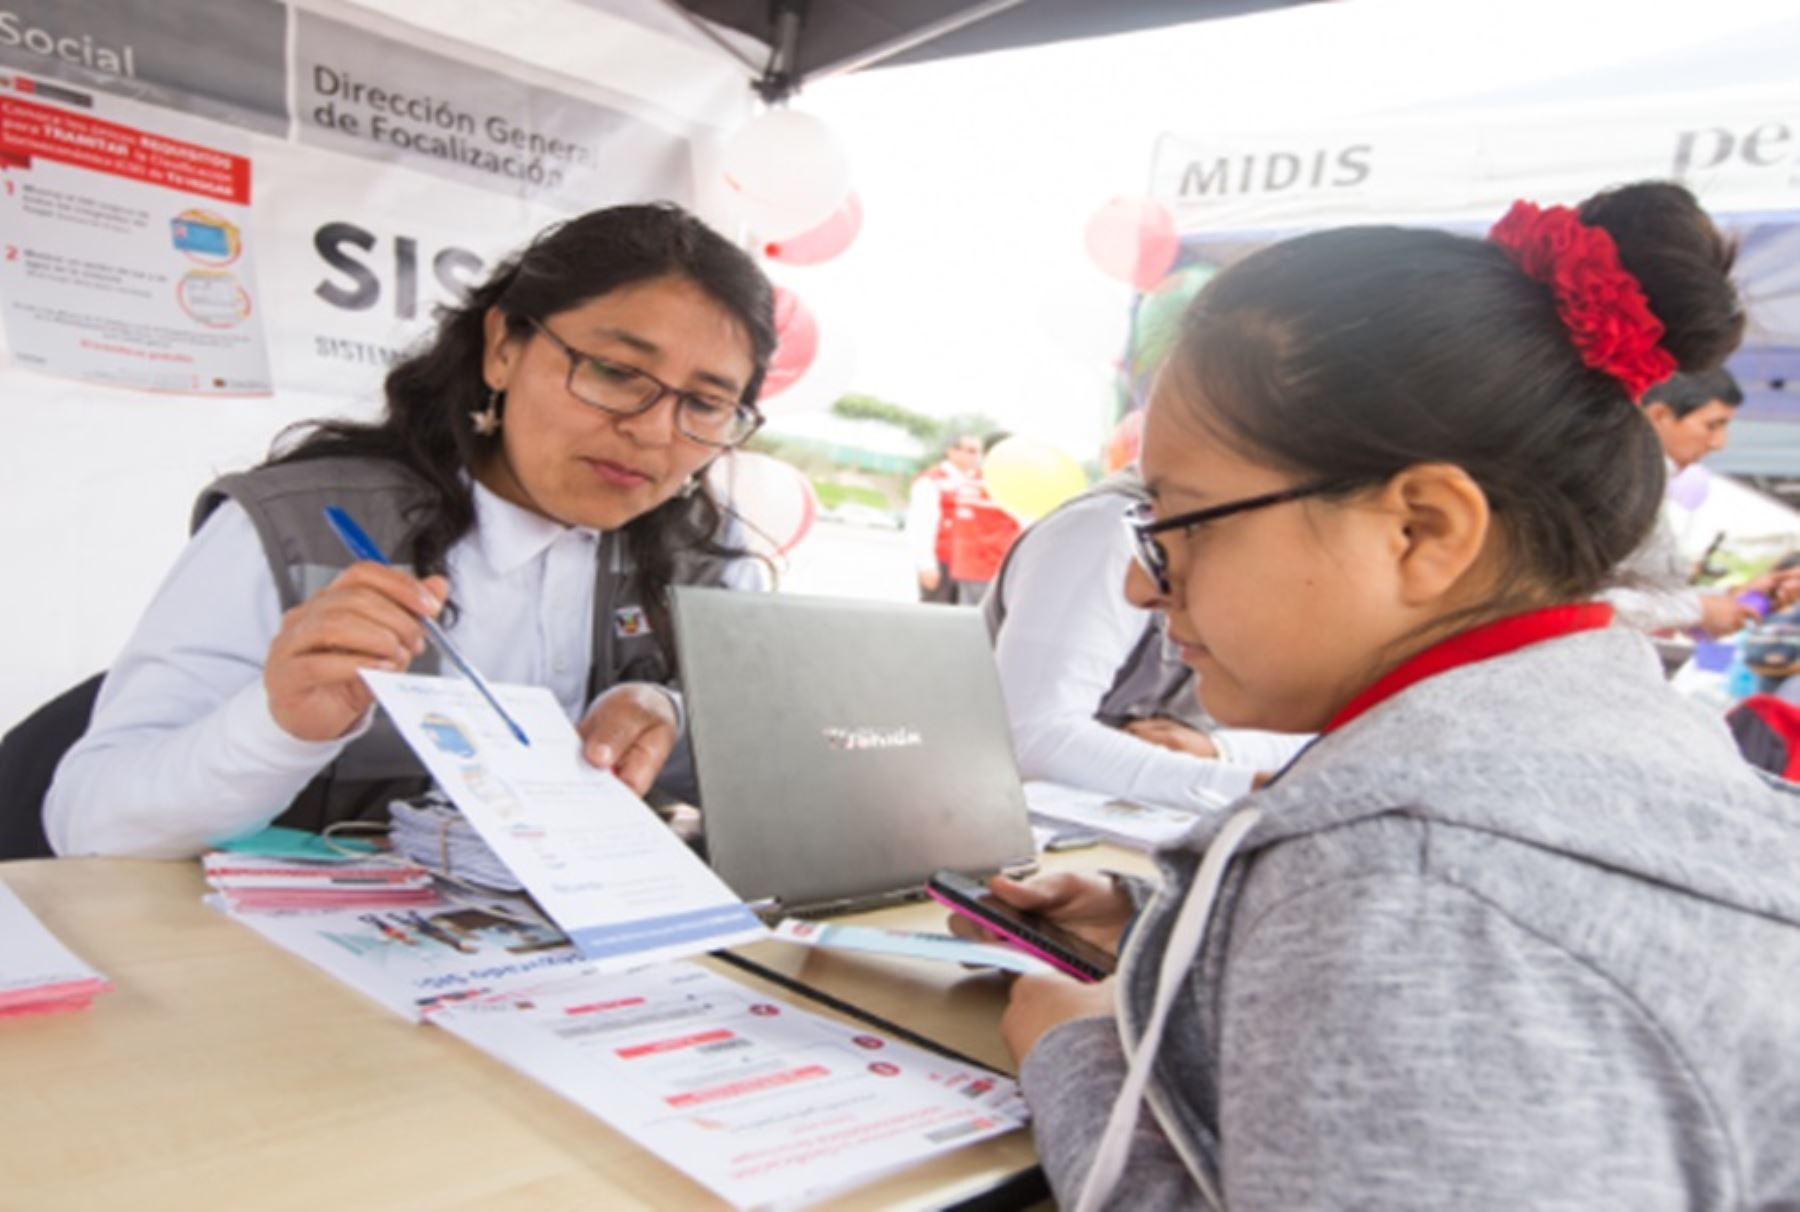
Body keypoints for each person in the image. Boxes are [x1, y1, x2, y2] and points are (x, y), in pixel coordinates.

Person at [957, 182, 1800, 1208]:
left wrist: (1080, 1054)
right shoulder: (1627, 761)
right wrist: (1177, 933)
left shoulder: (1405, 891)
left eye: (1179, 518)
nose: (1144, 581)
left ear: (1423, 530)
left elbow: (1432, 972)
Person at [46, 203, 777, 859]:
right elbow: (90, 823)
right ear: (503, 347)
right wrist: (278, 726)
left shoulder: (706, 558)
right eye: (615, 371)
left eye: (706, 404)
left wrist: (672, 714)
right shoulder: (301, 528)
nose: (652, 432)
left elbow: (792, 778)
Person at [982, 469, 1308, 810]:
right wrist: (1250, 789)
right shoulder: (1106, 531)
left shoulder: (1279, 544)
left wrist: (1222, 751)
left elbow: (1330, 734)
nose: (1139, 591)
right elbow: (1034, 739)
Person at [1609, 368, 1799, 636]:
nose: (1719, 443)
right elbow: (1586, 601)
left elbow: (1643, 592)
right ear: (1658, 416)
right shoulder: (1615, 491)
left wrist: (1730, 596)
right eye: (1712, 425)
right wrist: (1698, 610)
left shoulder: (1643, 488)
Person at [906, 432, 1011, 604]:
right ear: (952, 452)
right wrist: (926, 564)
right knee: (937, 617)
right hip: (943, 562)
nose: (975, 457)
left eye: (977, 452)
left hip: (974, 568)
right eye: (969, 451)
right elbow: (921, 526)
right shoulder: (931, 482)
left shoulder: (987, 482)